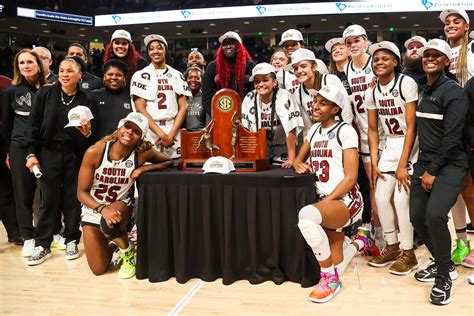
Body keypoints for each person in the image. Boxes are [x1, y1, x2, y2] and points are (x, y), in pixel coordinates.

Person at [77, 112, 172, 279]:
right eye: (127, 127)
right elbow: (81, 193)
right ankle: (117, 243)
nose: (130, 132)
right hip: (94, 207)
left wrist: (143, 168)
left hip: (121, 204)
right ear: (119, 128)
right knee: (98, 269)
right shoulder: (95, 151)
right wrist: (101, 208)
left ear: (141, 137)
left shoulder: (142, 153)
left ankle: (128, 254)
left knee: (110, 222)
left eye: (136, 131)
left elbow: (168, 161)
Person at [409, 39, 467, 305]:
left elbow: (452, 136)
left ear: (446, 61)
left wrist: (432, 170)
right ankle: (443, 262)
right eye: (426, 55)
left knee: (434, 216)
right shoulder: (424, 89)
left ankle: (443, 277)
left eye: (436, 55)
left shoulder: (454, 92)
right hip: (425, 163)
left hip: (450, 164)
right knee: (417, 218)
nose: (429, 58)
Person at [294, 85, 364, 303]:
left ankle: (329, 280)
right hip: (326, 201)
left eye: (323, 103)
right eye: (315, 101)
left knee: (306, 218)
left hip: (345, 200)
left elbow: (351, 177)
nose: (315, 106)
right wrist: (298, 163)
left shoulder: (345, 131)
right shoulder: (314, 130)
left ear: (335, 109)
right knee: (338, 264)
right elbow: (299, 157)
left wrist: (328, 200)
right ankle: (361, 241)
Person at [25, 57, 94, 265]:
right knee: (49, 200)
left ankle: (72, 238)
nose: (64, 74)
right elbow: (33, 125)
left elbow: (92, 134)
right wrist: (31, 153)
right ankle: (42, 244)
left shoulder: (86, 99)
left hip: (74, 155)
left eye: (70, 71)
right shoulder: (45, 93)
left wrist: (87, 132)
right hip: (49, 153)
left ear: (80, 75)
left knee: (73, 200)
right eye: (61, 70)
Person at [365, 41, 419, 275]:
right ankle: (392, 246)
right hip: (389, 145)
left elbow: (412, 127)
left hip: (411, 143)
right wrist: (375, 162)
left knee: (400, 199)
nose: (379, 62)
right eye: (376, 59)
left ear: (396, 62)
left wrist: (402, 163)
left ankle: (409, 252)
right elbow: (373, 129)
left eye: (385, 58)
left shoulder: (405, 83)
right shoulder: (372, 90)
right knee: (379, 197)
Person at [2, 49, 47, 257]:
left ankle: (49, 234)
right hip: (19, 147)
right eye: (22, 63)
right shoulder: (12, 91)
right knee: (23, 194)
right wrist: (8, 152)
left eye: (30, 62)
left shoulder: (50, 89)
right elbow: (6, 125)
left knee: (48, 193)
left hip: (45, 146)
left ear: (39, 64)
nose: (26, 66)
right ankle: (28, 236)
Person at [343, 24, 383, 250]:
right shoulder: (347, 69)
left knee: (383, 186)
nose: (353, 45)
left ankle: (390, 233)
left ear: (366, 41)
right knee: (371, 186)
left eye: (357, 40)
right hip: (364, 135)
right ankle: (378, 233)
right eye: (349, 42)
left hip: (384, 131)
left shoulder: (374, 63)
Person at [439, 8, 474, 267]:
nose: (451, 25)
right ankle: (462, 242)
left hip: (469, 124)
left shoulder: (472, 49)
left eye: (456, 21)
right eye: (447, 22)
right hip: (447, 126)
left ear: (467, 26)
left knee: (471, 189)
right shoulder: (439, 50)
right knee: (457, 189)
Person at [130, 34, 191, 159]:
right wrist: (162, 135)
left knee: (175, 169)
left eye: (159, 48)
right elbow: (139, 108)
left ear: (165, 50)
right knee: (149, 169)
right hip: (150, 130)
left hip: (173, 128)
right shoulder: (140, 75)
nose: (155, 51)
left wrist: (171, 134)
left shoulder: (177, 74)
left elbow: (183, 107)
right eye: (151, 49)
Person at [241, 62, 304, 167]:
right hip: (260, 146)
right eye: (257, 81)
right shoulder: (249, 97)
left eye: (265, 80)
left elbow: (291, 128)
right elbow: (246, 130)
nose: (261, 84)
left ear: (274, 82)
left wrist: (291, 159)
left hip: (282, 146)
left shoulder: (285, 96)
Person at [289, 48, 352, 132]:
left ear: (314, 67)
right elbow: (308, 127)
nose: (299, 71)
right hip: (320, 139)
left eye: (303, 66)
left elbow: (346, 111)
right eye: (295, 68)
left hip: (340, 133)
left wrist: (343, 136)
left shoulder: (330, 80)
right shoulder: (298, 93)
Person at [202, 31, 254, 116]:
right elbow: (206, 99)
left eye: (232, 43)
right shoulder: (212, 67)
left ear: (238, 46)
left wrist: (246, 115)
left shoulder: (249, 65)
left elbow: (255, 93)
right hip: (219, 114)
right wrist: (217, 115)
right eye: (225, 44)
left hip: (245, 114)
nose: (228, 46)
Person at [0, 74, 22, 245]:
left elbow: (9, 120)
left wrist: (8, 149)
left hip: (2, 143)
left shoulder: (6, 84)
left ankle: (15, 233)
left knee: (6, 191)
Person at [88, 59, 132, 142]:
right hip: (99, 148)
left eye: (118, 75)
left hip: (125, 147)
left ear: (124, 78)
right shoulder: (93, 96)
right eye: (110, 74)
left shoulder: (131, 97)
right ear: (104, 77)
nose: (114, 77)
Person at [276, 29, 328, 93]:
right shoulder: (281, 74)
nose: (289, 47)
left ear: (302, 45)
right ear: (283, 49)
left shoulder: (318, 64)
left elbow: (328, 88)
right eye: (286, 45)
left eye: (294, 44)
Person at [183, 66, 209, 131]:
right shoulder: (182, 98)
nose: (193, 80)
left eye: (197, 78)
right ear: (186, 80)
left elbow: (208, 125)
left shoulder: (206, 98)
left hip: (200, 137)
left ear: (202, 81)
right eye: (190, 77)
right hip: (184, 136)